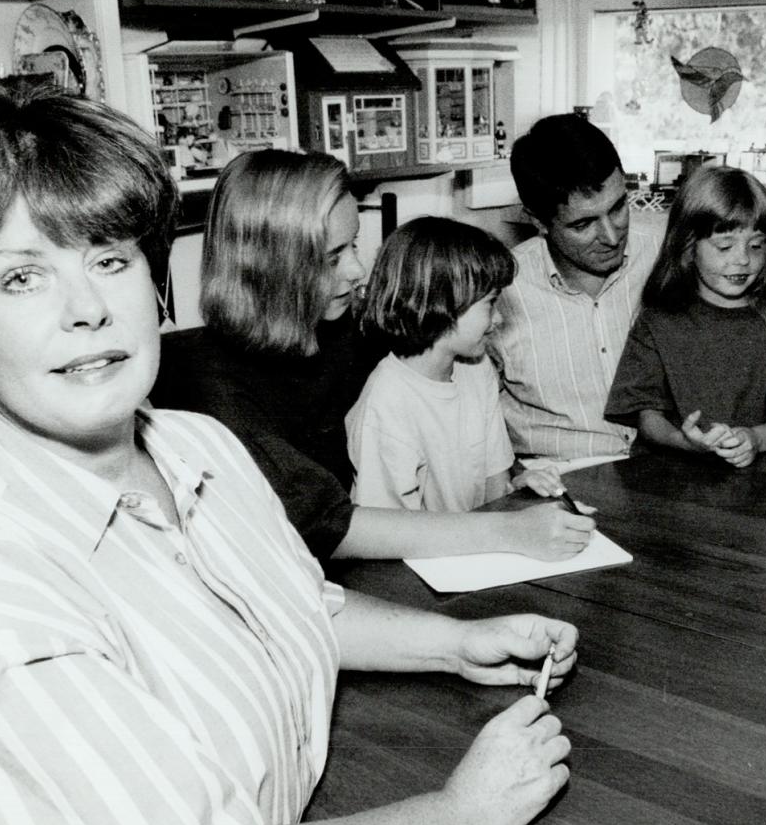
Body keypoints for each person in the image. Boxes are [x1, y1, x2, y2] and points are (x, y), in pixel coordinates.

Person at [0, 80, 578, 825]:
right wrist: (463, 813)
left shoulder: (196, 446)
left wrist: (454, 643)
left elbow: (290, 602)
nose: (87, 308)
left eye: (110, 260)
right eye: (21, 275)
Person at [149, 149, 593, 562]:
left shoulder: (354, 330)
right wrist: (506, 532)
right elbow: (321, 525)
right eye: (331, 258)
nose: (357, 271)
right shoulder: (205, 382)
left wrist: (513, 474)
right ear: (267, 266)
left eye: (353, 246)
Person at [604, 166, 766, 467]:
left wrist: (755, 439)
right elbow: (646, 414)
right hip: (667, 479)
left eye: (755, 245)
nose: (743, 258)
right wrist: (684, 441)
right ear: (688, 248)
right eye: (725, 246)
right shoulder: (657, 321)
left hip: (757, 485)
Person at [347, 216, 565, 510]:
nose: (498, 319)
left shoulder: (477, 369)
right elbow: (386, 536)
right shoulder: (385, 405)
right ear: (442, 302)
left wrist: (518, 486)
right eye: (490, 302)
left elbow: (494, 489)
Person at [491, 114, 657, 464]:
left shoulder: (664, 263)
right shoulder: (498, 292)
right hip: (553, 486)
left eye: (617, 208)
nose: (612, 237)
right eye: (583, 224)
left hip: (659, 474)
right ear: (537, 221)